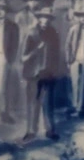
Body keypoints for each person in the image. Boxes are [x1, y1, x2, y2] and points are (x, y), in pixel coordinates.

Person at [21, 7, 60, 141]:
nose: (46, 20)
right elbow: (23, 57)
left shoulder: (53, 33)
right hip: (33, 74)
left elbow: (56, 54)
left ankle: (50, 130)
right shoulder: (31, 33)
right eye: (43, 17)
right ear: (39, 18)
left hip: (48, 73)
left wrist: (54, 70)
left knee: (48, 104)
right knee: (33, 103)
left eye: (48, 18)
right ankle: (31, 131)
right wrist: (37, 50)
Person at [0, 0, 19, 124]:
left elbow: (15, 45)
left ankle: (3, 112)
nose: (0, 12)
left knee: (0, 87)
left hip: (2, 57)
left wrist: (9, 60)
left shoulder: (12, 26)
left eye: (3, 9)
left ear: (6, 12)